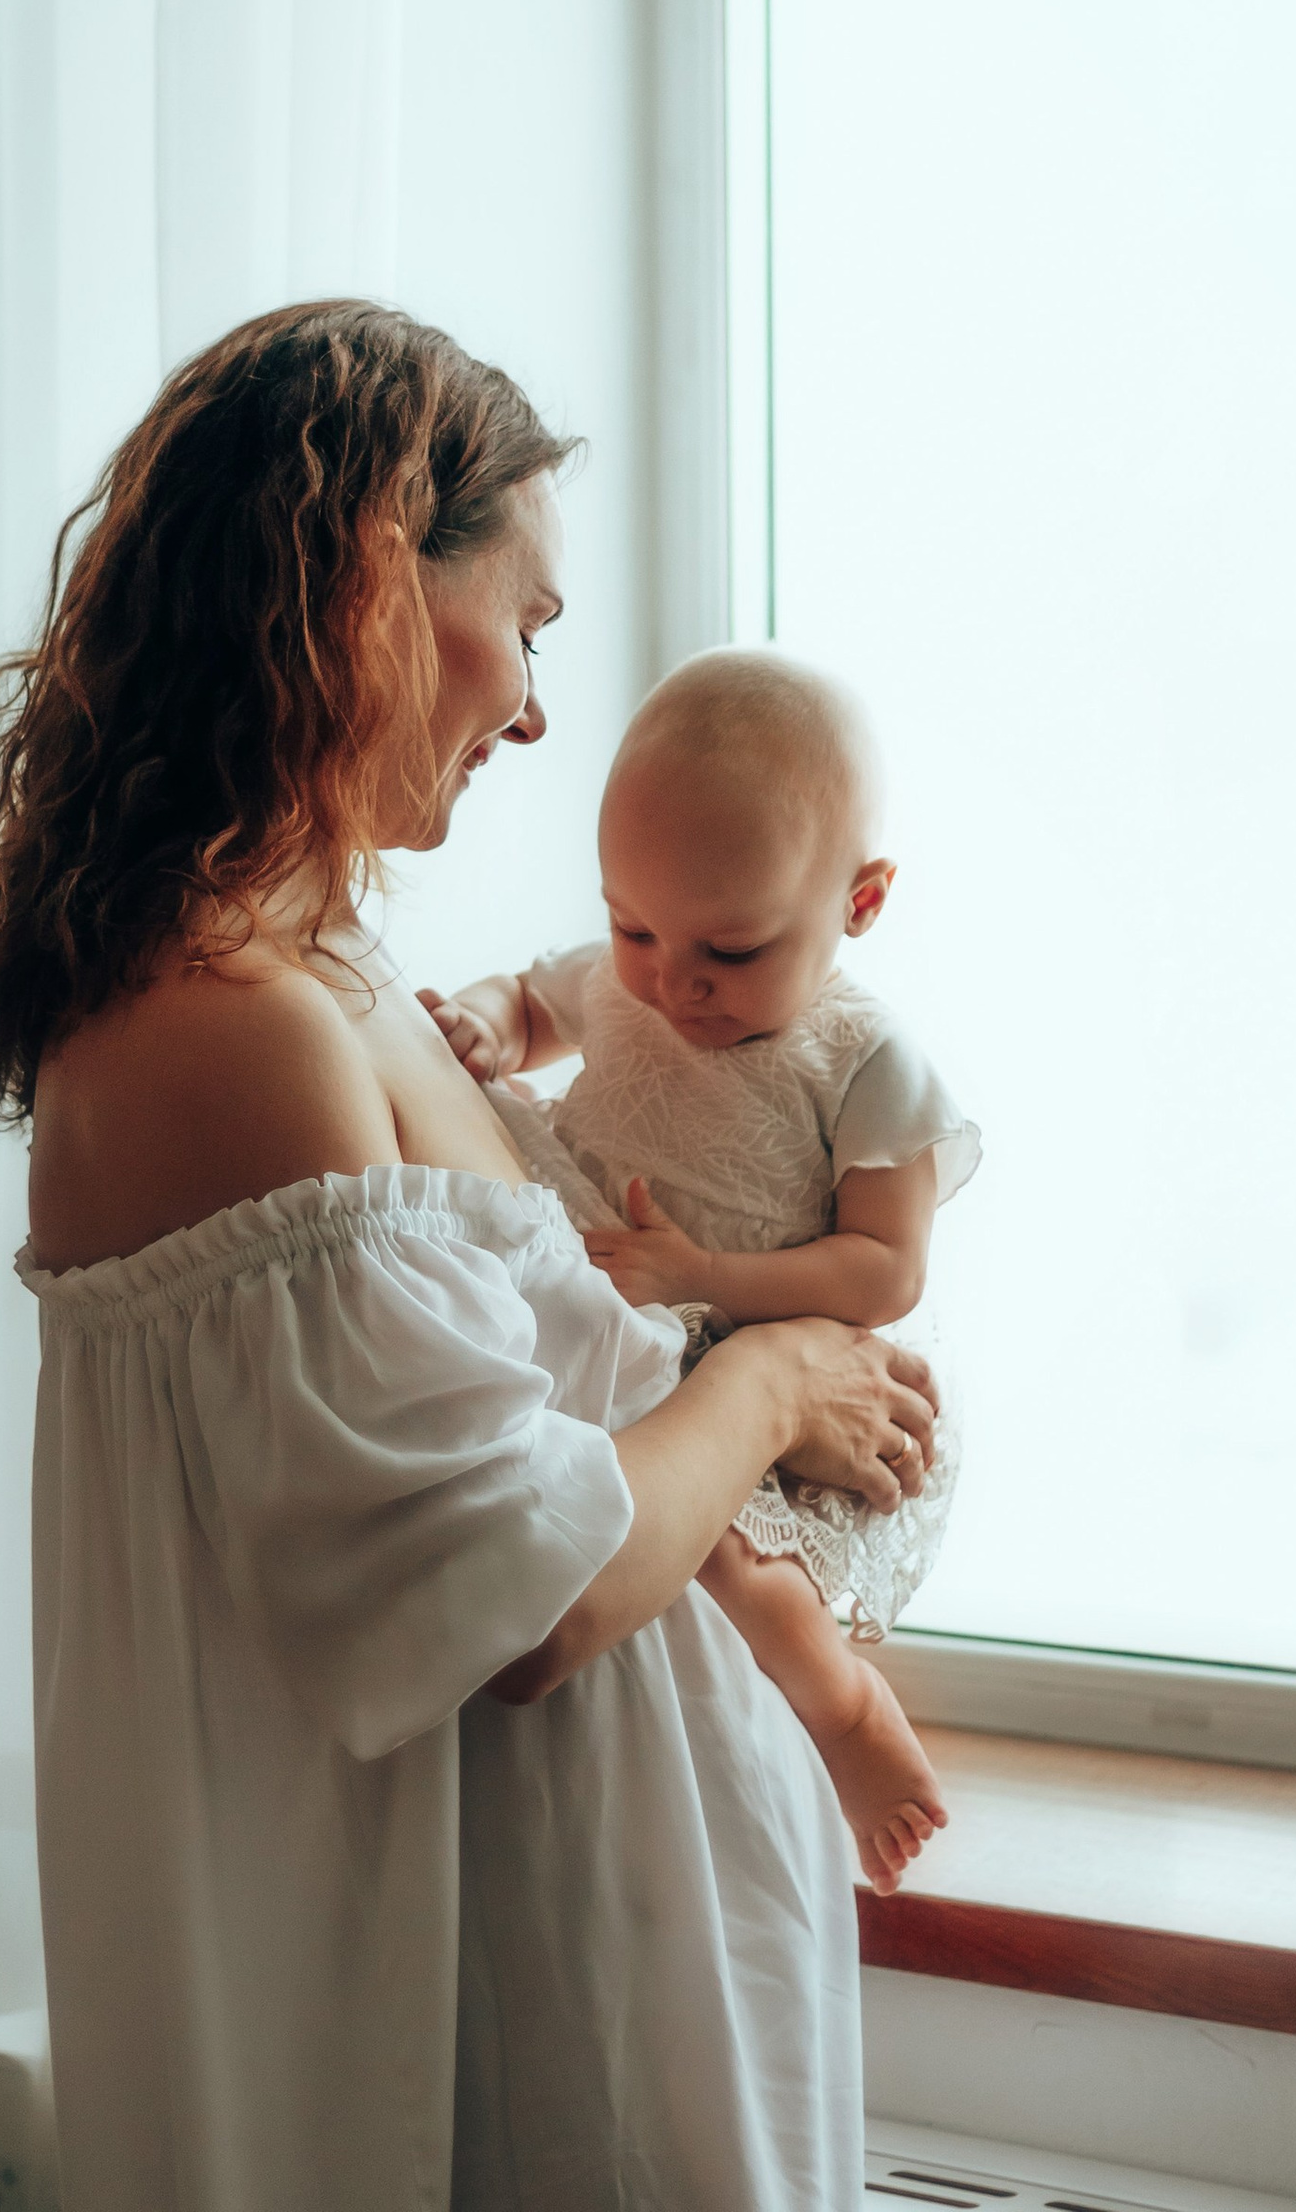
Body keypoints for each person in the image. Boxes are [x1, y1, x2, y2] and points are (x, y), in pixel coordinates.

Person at [0, 302, 938, 2212]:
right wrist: (768, 1379)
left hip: (604, 1983)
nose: (535, 708)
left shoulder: (330, 978)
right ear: (380, 574)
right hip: (498, 2029)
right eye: (526, 622)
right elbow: (516, 1603)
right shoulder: (234, 1026)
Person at [425, 649, 979, 1891]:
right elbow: (529, 1002)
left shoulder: (867, 1063)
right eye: (633, 927)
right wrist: (482, 1025)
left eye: (730, 950)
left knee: (731, 1552)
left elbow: (884, 1271)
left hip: (755, 1343)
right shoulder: (631, 980)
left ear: (859, 902)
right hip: (621, 1312)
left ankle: (846, 1710)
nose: (673, 980)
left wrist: (709, 1273)